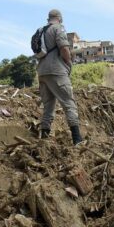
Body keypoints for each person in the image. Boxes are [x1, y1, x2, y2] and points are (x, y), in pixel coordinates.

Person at [36, 9, 82, 144]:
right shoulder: (58, 28)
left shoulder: (40, 31)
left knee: (48, 106)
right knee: (69, 103)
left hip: (42, 72)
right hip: (56, 71)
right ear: (60, 18)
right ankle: (77, 140)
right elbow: (64, 49)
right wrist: (68, 62)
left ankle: (44, 139)